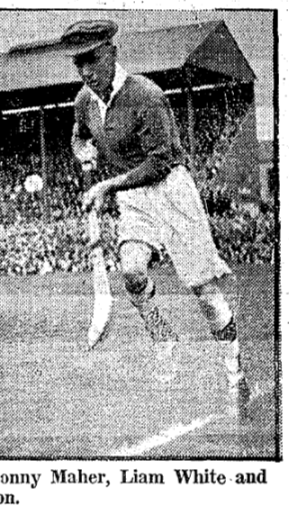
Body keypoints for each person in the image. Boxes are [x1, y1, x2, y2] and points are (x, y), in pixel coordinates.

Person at [63, 20, 249, 412]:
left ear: (112, 53)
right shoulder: (84, 100)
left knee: (203, 291)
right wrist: (82, 150)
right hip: (134, 198)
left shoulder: (146, 95)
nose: (86, 71)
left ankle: (234, 370)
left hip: (171, 191)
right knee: (132, 272)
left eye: (92, 59)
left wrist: (108, 185)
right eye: (79, 63)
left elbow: (161, 161)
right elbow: (79, 134)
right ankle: (164, 338)